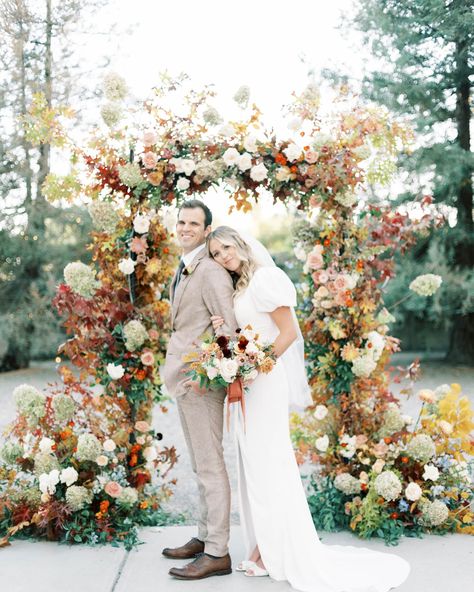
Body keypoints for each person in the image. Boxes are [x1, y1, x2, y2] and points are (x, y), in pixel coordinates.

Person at [207, 225, 411, 592]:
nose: (223, 256)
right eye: (216, 254)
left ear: (239, 242)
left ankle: (277, 551)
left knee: (271, 463)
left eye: (225, 248)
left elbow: (286, 334)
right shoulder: (240, 286)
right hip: (249, 380)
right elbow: (252, 332)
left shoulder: (267, 278)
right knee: (255, 467)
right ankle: (264, 546)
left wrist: (255, 367)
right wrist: (227, 336)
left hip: (265, 381)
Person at [161, 202, 237, 580]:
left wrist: (224, 375)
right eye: (182, 222)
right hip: (184, 379)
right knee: (199, 463)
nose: (186, 228)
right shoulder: (185, 267)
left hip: (203, 382)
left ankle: (218, 552)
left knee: (211, 466)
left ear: (207, 230)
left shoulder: (210, 272)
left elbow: (229, 331)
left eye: (194, 223)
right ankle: (205, 537)